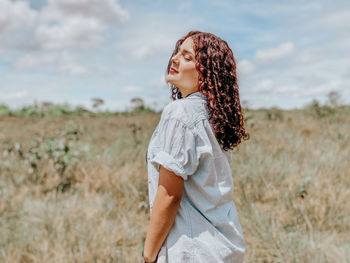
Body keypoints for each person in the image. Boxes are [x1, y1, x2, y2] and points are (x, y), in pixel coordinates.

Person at [143, 30, 249, 263]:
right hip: (224, 246)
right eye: (177, 52)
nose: (175, 59)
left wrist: (149, 254)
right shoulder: (214, 118)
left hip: (193, 250)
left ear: (207, 73)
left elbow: (170, 195)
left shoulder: (180, 112)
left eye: (188, 57)